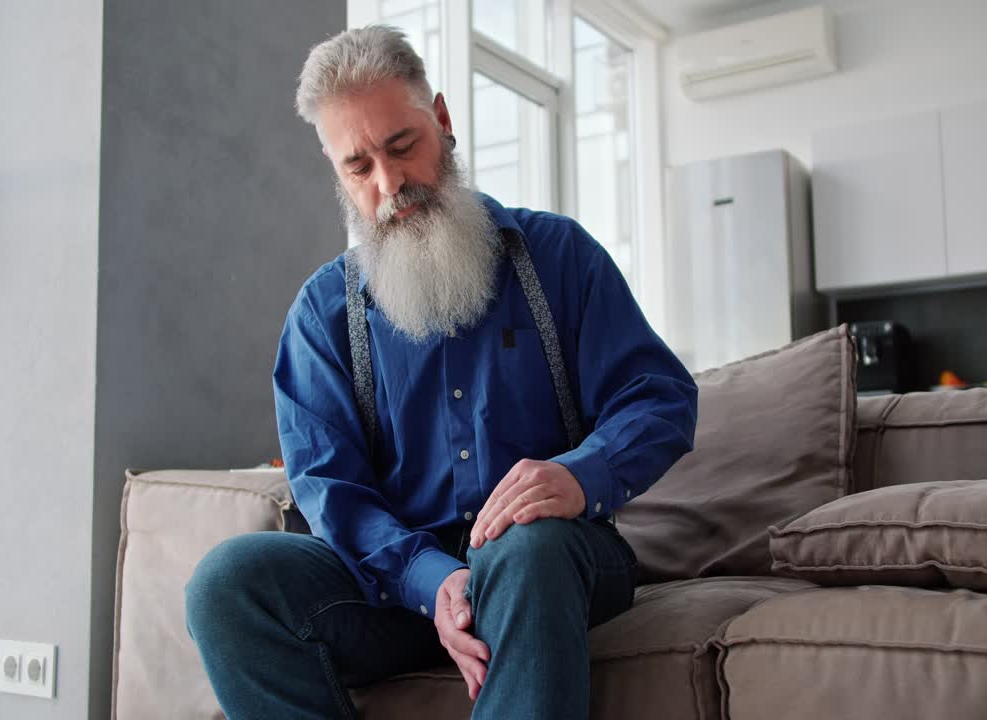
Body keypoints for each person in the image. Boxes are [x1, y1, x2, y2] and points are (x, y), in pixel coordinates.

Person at [185, 24, 698, 720]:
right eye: (358, 167)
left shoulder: (559, 257)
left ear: (445, 123)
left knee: (526, 546)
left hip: (552, 566)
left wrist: (580, 474)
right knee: (227, 582)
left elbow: (659, 398)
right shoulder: (322, 313)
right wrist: (433, 581)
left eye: (402, 147)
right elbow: (332, 491)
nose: (390, 184)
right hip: (397, 590)